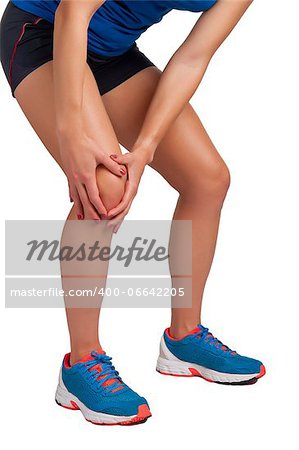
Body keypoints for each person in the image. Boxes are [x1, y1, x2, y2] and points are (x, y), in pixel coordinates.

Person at [0, 0, 265, 426]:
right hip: (45, 32)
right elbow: (72, 13)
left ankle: (184, 338)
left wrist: (146, 146)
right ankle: (81, 363)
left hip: (110, 53)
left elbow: (193, 56)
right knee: (105, 186)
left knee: (207, 179)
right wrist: (71, 133)